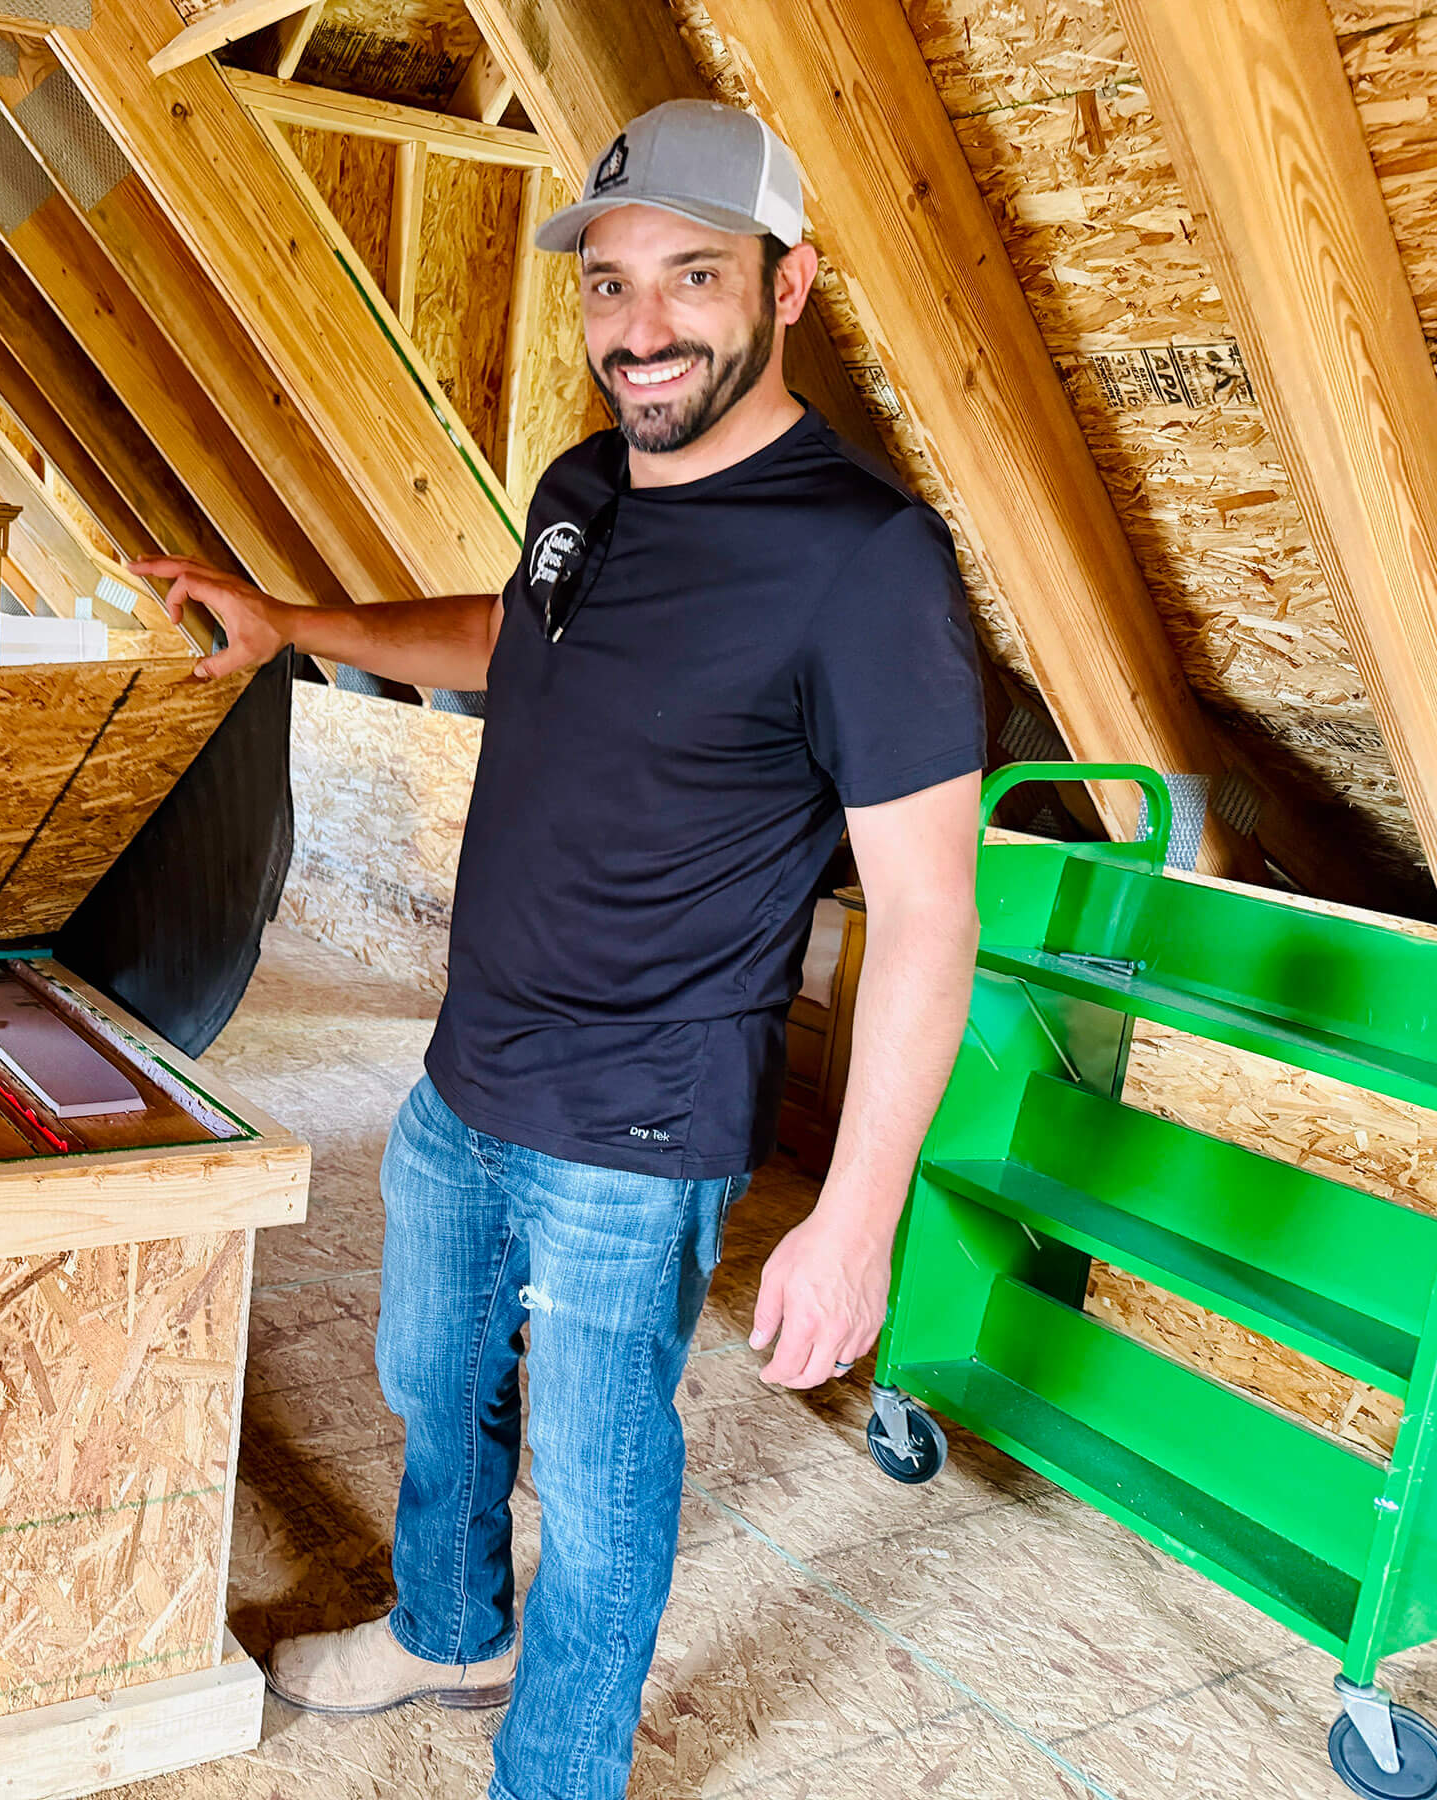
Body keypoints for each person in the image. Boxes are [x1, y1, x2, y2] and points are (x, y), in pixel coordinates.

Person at [133, 99, 986, 1800]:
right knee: (433, 1392)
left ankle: (560, 1772)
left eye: (691, 276)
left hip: (642, 1120)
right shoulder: (584, 485)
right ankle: (451, 1632)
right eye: (609, 285)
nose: (642, 326)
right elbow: (512, 629)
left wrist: (857, 1220)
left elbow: (928, 916)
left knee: (600, 1482)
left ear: (790, 284)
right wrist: (296, 623)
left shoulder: (866, 566)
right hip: (471, 1072)